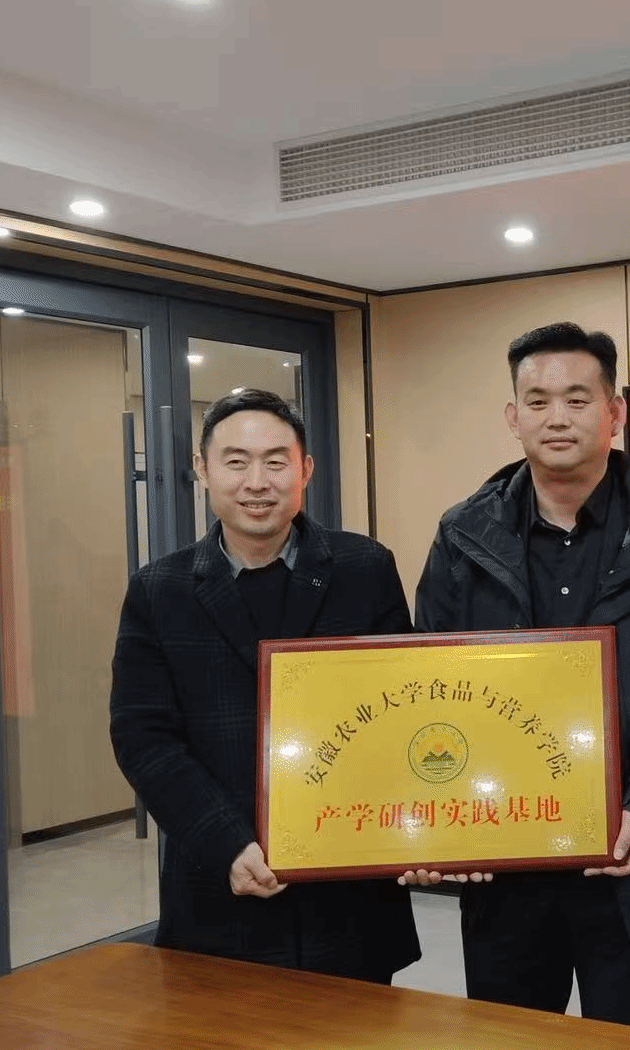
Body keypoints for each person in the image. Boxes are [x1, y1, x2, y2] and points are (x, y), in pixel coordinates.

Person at [412, 322, 630, 1032]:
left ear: (614, 412)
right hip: (506, 862)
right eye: (537, 402)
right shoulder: (464, 536)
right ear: (513, 417)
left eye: (577, 398)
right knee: (509, 1038)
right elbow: (428, 683)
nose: (557, 418)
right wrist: (448, 821)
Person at [110, 388, 419, 981]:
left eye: (276, 462)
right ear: (202, 470)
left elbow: (403, 710)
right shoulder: (159, 590)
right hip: (217, 886)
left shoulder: (365, 569)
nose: (257, 482)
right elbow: (144, 738)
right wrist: (224, 841)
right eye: (236, 462)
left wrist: (418, 830)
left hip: (350, 891)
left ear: (305, 470)